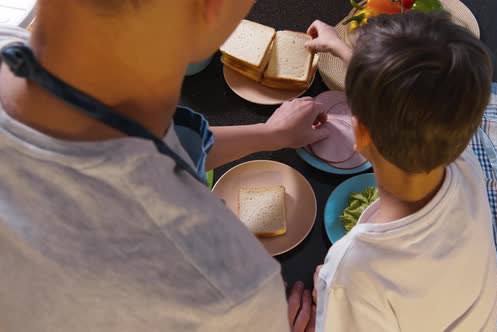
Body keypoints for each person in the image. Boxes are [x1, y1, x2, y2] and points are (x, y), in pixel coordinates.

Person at [0, 1, 327, 331]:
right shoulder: (224, 288)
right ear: (211, 9)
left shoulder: (12, 46)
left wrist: (269, 135)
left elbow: (141, 145)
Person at [305, 12, 497, 331]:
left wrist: (327, 299)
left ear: (360, 134)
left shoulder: (351, 271)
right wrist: (343, 50)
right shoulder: (465, 161)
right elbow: (421, 99)